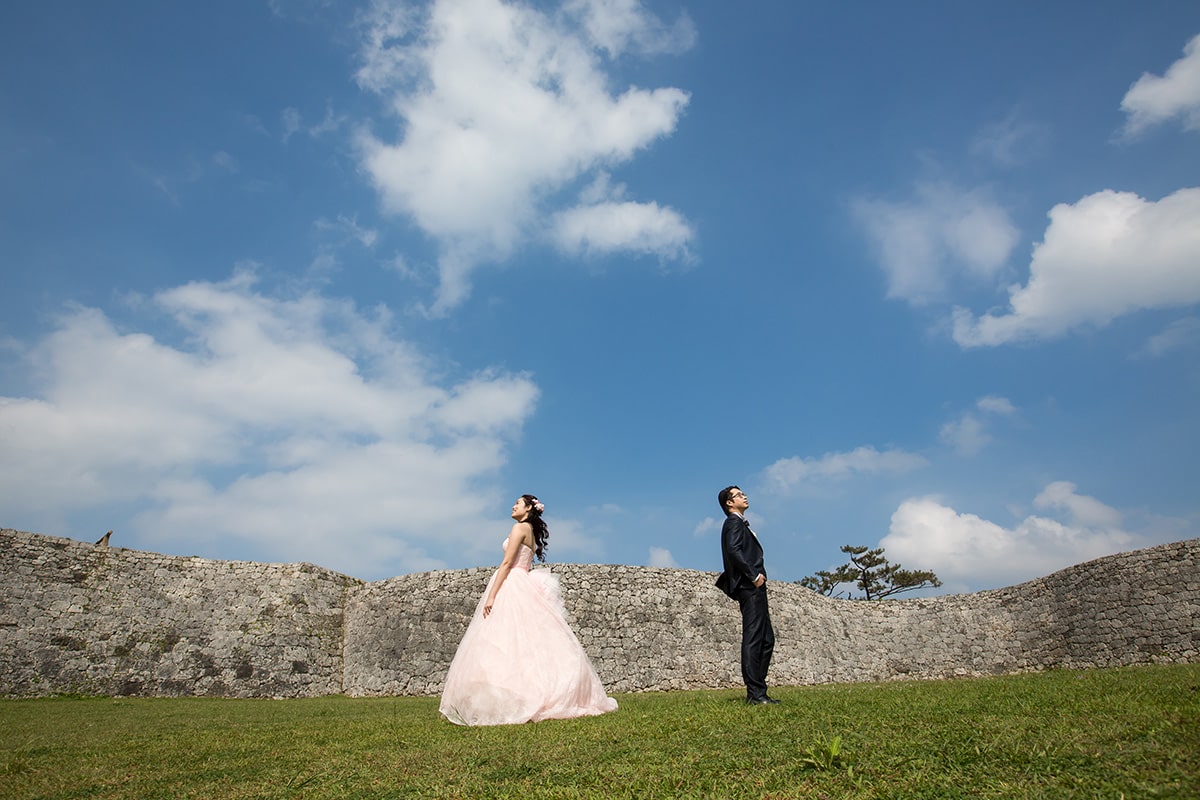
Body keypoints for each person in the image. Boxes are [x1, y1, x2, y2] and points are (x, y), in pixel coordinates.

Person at [439, 494, 619, 726]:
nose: (513, 506)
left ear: (527, 510)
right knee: (528, 642)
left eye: (518, 503)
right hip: (523, 579)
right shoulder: (531, 533)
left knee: (504, 640)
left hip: (512, 581)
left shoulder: (519, 528)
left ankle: (513, 695)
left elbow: (506, 563)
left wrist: (492, 595)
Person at [715, 485, 778, 704]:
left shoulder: (739, 523)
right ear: (729, 503)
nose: (744, 496)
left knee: (766, 639)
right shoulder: (733, 523)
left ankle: (759, 688)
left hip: (755, 586)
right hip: (750, 586)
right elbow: (733, 551)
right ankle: (755, 693)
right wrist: (753, 576)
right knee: (754, 638)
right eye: (739, 495)